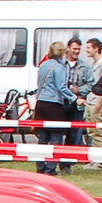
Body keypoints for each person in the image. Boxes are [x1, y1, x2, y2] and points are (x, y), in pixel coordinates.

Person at [33, 40, 72, 175]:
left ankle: (40, 167)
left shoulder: (43, 65)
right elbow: (61, 87)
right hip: (53, 104)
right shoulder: (59, 67)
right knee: (55, 138)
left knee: (42, 139)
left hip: (41, 103)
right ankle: (50, 169)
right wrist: (74, 98)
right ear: (62, 53)